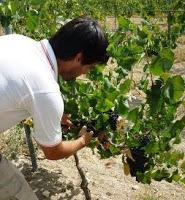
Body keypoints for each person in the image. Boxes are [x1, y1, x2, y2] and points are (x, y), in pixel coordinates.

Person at [0, 16, 109, 200]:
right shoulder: (46, 91)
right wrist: (83, 140)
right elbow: (53, 152)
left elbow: (14, 89)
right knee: (18, 193)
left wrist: (51, 115)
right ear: (78, 58)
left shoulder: (19, 41)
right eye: (88, 68)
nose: (85, 74)